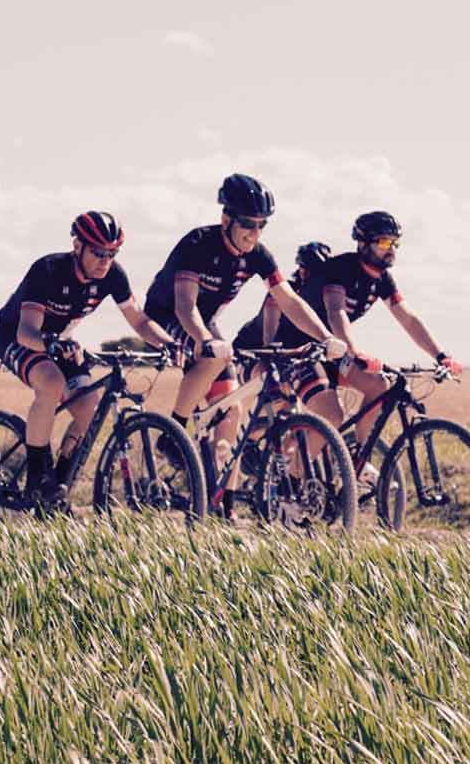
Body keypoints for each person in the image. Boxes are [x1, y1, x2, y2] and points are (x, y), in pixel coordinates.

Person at [141, 174, 342, 514]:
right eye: (248, 224)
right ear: (226, 219)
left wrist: (326, 336)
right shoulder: (197, 244)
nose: (254, 233)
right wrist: (205, 340)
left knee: (232, 412)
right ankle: (174, 432)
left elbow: (290, 302)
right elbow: (184, 306)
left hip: (206, 324)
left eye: (262, 225)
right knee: (215, 358)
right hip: (167, 317)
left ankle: (225, 506)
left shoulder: (258, 255)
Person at [0, 211, 179, 500]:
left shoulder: (113, 275)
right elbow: (27, 331)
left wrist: (168, 343)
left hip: (61, 342)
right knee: (51, 381)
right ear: (78, 246)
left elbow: (139, 320)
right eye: (98, 252)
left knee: (88, 408)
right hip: (18, 336)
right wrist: (50, 344)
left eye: (112, 252)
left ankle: (58, 483)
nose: (106, 260)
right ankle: (36, 476)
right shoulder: (48, 269)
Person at [273, 211, 463, 475]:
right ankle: (291, 487)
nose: (391, 250)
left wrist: (441, 355)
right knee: (332, 415)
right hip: (299, 348)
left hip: (332, 351)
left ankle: (359, 462)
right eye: (384, 243)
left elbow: (408, 318)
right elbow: (335, 311)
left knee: (379, 384)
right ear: (363, 243)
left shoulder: (381, 278)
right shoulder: (341, 268)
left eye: (395, 244)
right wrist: (354, 351)